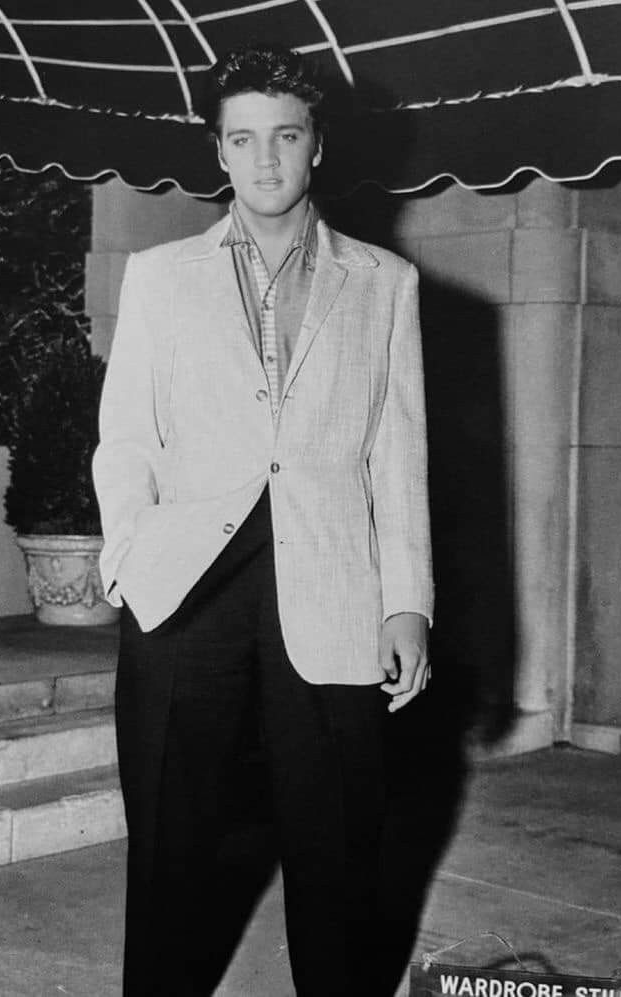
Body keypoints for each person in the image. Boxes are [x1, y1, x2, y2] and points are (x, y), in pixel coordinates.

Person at [93, 43, 434, 997]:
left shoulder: (384, 283)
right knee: (169, 846)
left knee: (336, 846)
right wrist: (127, 555)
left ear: (317, 144)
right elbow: (125, 437)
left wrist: (407, 602)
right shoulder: (160, 277)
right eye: (242, 139)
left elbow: (396, 456)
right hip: (184, 586)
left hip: (329, 584)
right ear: (218, 152)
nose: (266, 160)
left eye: (285, 136)